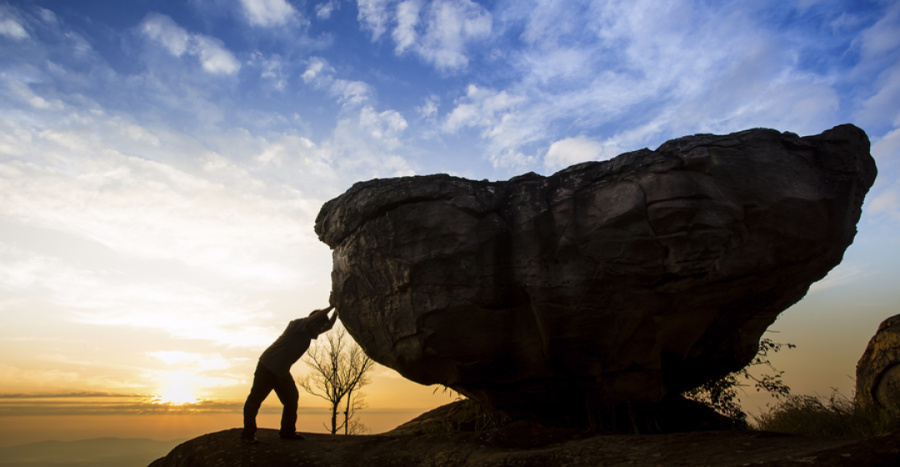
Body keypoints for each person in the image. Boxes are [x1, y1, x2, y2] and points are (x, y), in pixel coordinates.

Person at [241, 305, 338, 444]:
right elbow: (313, 319)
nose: (319, 331)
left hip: (281, 372)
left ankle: (287, 432)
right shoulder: (296, 325)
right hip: (267, 367)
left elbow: (328, 326)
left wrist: (338, 308)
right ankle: (247, 435)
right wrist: (332, 305)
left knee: (291, 398)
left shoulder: (308, 335)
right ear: (313, 323)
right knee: (254, 401)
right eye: (318, 327)